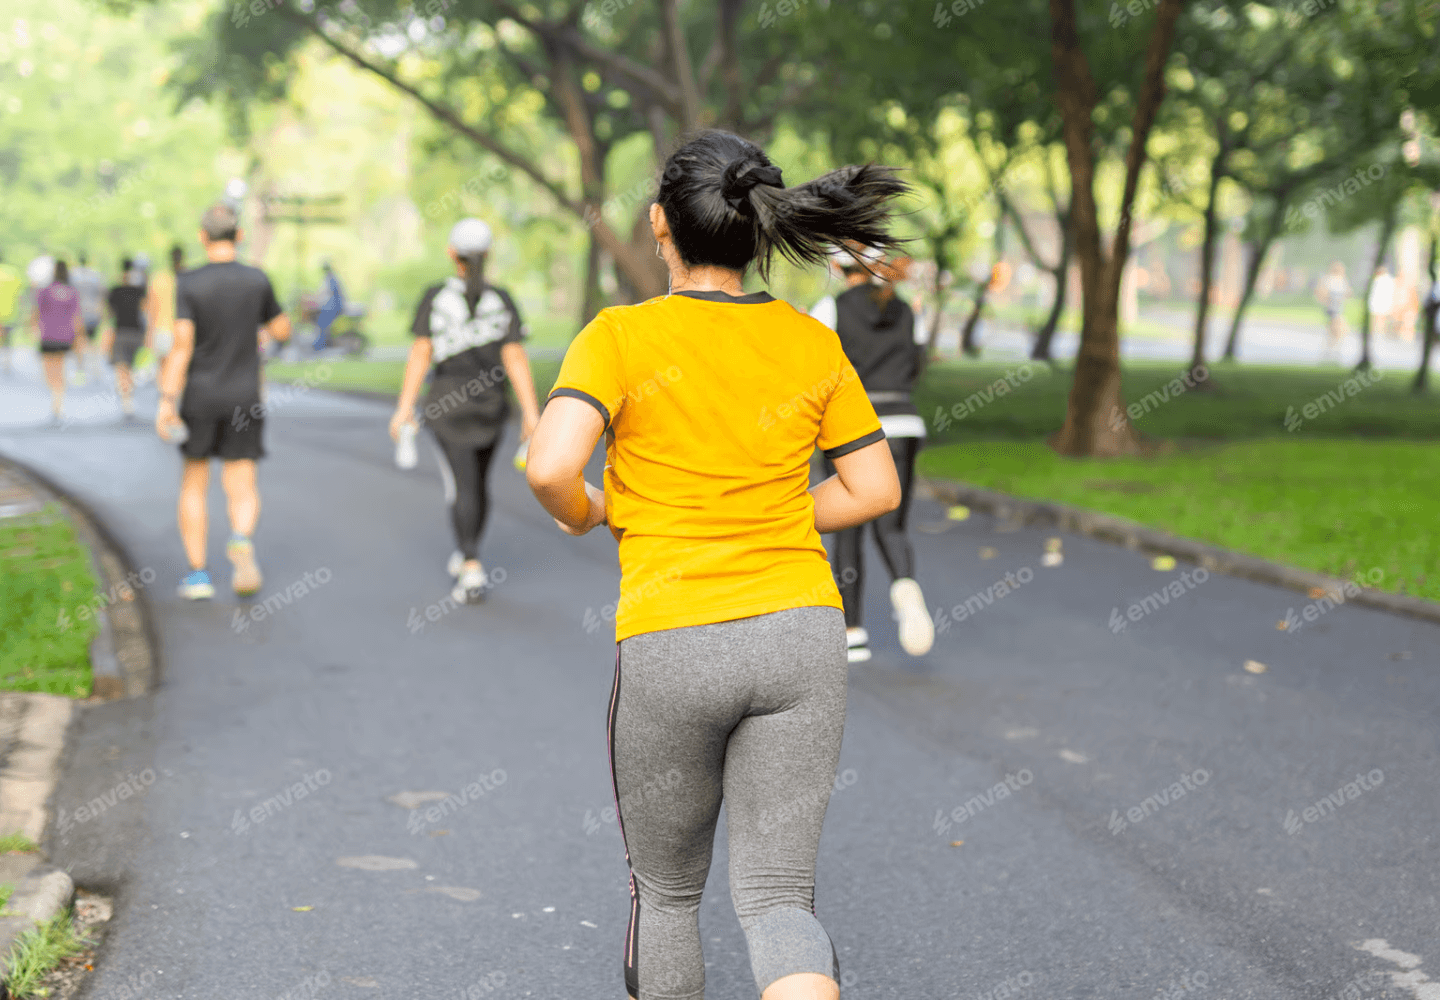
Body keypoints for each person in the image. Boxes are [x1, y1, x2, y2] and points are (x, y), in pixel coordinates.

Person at [526, 130, 905, 1000]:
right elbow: (875, 487)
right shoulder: (809, 342)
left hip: (674, 638)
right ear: (757, 229)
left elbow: (551, 466)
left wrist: (590, 513)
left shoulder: (619, 337)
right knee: (778, 898)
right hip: (802, 636)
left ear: (662, 223)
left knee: (665, 895)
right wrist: (773, 514)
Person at [389, 218, 541, 604]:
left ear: (451, 255)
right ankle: (468, 551)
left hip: (447, 407)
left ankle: (470, 563)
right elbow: (515, 356)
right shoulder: (502, 299)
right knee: (477, 484)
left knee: (462, 484)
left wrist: (404, 408)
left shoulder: (435, 296)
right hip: (492, 408)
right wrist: (530, 412)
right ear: (487, 256)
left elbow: (421, 352)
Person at [155, 204, 291, 600]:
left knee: (194, 483)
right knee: (242, 481)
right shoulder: (256, 280)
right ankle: (240, 538)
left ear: (202, 237)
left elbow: (181, 346)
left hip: (200, 396)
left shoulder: (190, 282)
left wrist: (166, 398)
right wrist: (264, 325)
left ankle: (198, 576)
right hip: (244, 395)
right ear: (241, 235)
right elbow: (281, 328)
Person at [810, 247, 934, 663]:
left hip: (854, 432)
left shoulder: (830, 308)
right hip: (905, 425)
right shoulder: (906, 310)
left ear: (836, 267)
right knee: (892, 527)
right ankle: (905, 586)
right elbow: (916, 366)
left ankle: (853, 631)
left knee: (848, 530)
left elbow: (814, 370)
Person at [31, 259, 87, 421]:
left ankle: (55, 399)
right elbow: (77, 317)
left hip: (48, 335)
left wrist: (33, 327)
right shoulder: (72, 292)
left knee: (49, 369)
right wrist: (79, 336)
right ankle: (58, 401)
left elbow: (36, 311)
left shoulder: (45, 291)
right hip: (65, 336)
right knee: (60, 368)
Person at [105, 258, 148, 419]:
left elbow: (109, 315)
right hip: (137, 332)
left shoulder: (115, 291)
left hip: (121, 331)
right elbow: (146, 310)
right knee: (129, 366)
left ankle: (126, 399)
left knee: (122, 367)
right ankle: (128, 395)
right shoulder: (139, 290)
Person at [147, 243, 184, 361]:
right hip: (181, 330)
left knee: (163, 372)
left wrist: (149, 333)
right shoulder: (188, 278)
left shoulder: (159, 278)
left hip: (161, 331)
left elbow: (151, 309)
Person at [72, 253, 106, 353]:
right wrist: (101, 314)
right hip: (92, 313)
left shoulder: (72, 275)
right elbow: (101, 296)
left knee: (78, 340)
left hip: (77, 314)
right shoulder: (95, 275)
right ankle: (90, 362)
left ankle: (80, 364)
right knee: (91, 341)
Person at [1316, 261, 1351, 356]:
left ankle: (1331, 347)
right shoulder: (1328, 278)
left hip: (1339, 306)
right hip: (1332, 305)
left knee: (1334, 328)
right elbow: (1321, 292)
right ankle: (1333, 347)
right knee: (1340, 326)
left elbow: (1348, 292)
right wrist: (1326, 299)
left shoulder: (1342, 279)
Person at [313, 260, 344, 351]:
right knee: (320, 319)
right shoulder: (330, 278)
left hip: (334, 305)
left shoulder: (331, 279)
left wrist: (316, 299)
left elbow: (326, 293)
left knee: (322, 321)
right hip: (332, 304)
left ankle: (321, 344)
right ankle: (321, 341)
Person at [0, 252, 22, 375]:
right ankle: (7, 360)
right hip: (10, 311)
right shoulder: (12, 272)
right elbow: (19, 294)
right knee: (7, 337)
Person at [1368, 264, 1395, 339]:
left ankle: (1380, 335)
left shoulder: (1388, 280)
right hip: (1377, 302)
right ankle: (1375, 335)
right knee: (1376, 320)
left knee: (1381, 320)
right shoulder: (1376, 279)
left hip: (1383, 302)